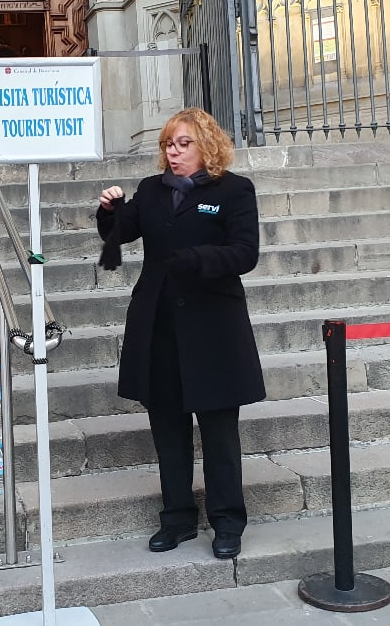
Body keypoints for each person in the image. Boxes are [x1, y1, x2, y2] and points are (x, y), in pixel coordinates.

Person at [95, 107, 265, 560]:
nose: (173, 152)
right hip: (160, 327)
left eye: (183, 143)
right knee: (168, 428)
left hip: (213, 329)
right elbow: (120, 235)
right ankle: (177, 518)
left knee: (219, 432)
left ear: (206, 145)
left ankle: (227, 522)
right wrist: (109, 211)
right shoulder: (152, 191)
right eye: (169, 144)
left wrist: (199, 260)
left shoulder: (234, 190)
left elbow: (245, 253)